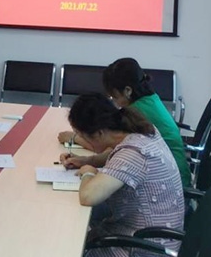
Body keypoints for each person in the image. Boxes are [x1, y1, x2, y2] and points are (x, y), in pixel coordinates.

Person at [64, 94, 184, 257]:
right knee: (79, 240)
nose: (83, 140)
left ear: (99, 133)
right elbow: (112, 155)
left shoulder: (134, 153)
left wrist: (88, 172)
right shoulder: (141, 132)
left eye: (83, 136)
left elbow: (88, 196)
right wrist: (88, 160)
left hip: (148, 252)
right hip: (159, 237)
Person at [57, 58, 192, 187]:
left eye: (114, 97)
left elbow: (105, 144)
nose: (115, 103)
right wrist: (86, 161)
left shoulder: (138, 113)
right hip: (173, 176)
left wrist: (75, 138)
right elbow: (114, 150)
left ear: (128, 91)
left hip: (174, 183)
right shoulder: (150, 100)